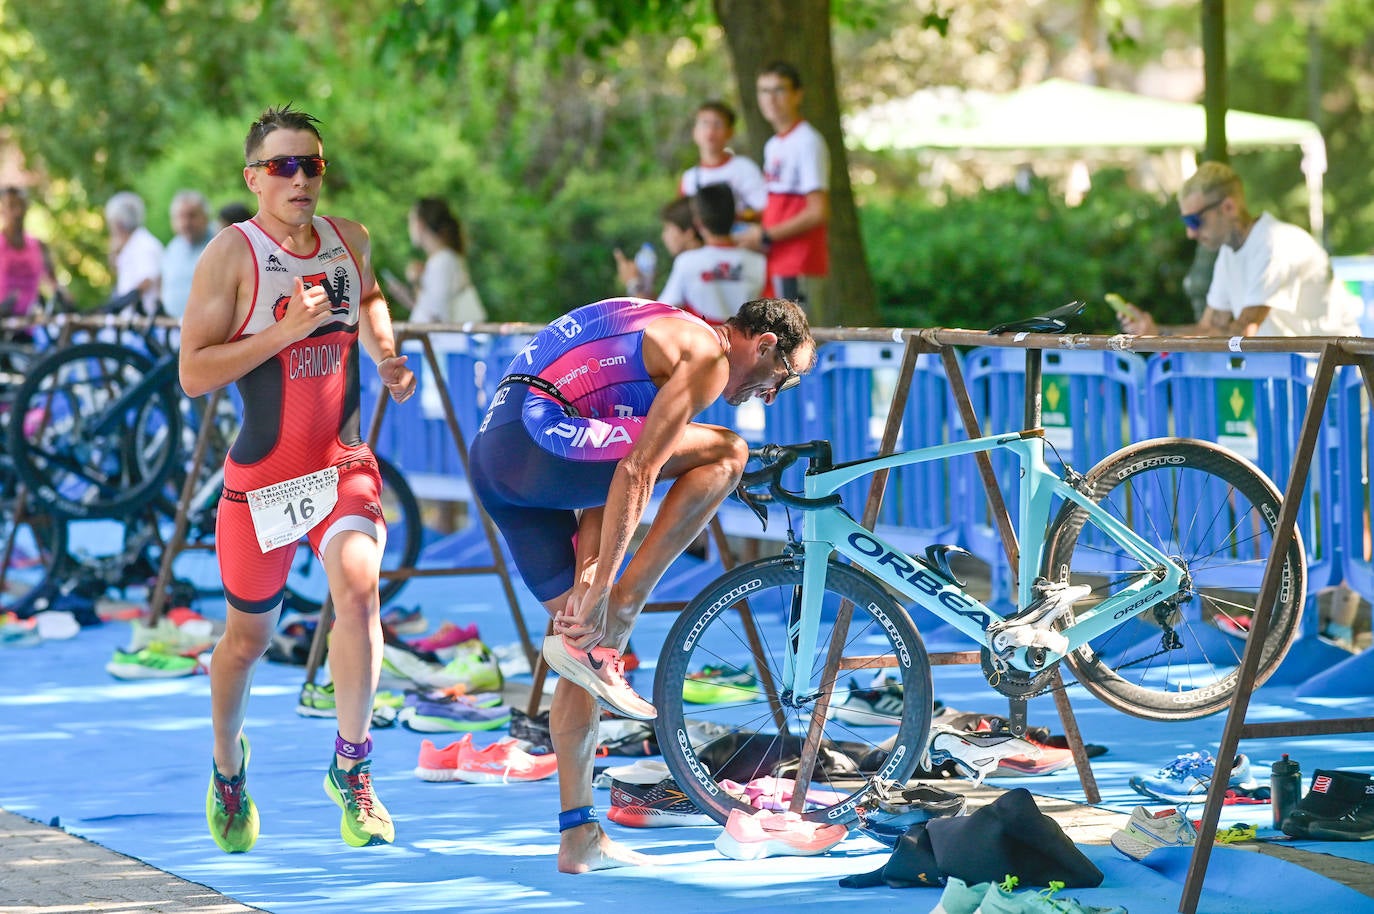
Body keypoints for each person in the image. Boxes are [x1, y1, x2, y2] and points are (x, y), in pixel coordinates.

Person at [469, 296, 814, 873]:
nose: (773, 395)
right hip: (540, 442)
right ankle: (626, 606)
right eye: (783, 378)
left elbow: (604, 472)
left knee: (581, 647)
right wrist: (610, 590)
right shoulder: (707, 355)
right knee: (729, 451)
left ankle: (577, 836)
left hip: (500, 456)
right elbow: (636, 470)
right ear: (765, 344)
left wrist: (588, 583)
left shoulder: (660, 325)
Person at [179, 104, 416, 854]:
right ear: (253, 177)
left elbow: (371, 298)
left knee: (358, 588)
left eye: (311, 164)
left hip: (339, 464)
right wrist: (281, 332)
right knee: (245, 644)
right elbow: (192, 373)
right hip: (264, 483)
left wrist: (385, 354)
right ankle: (227, 767)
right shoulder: (230, 254)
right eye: (283, 166)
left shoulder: (351, 240)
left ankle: (352, 767)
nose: (300, 178)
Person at [1118, 161, 1361, 338]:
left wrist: (1161, 334)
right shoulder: (1229, 252)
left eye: (1195, 221)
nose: (1190, 233)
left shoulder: (1274, 243)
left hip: (1335, 387)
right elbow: (1208, 329)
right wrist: (1154, 331)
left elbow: (1244, 332)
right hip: (1299, 384)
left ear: (1229, 207)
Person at [741, 61, 830, 318]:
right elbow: (782, 205)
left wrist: (766, 235)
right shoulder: (773, 145)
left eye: (779, 90)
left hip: (800, 263)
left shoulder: (807, 141)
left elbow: (817, 212)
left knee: (801, 344)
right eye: (764, 91)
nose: (770, 99)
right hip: (777, 260)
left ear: (797, 94)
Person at [657, 183, 767, 323]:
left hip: (702, 342)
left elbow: (660, 315)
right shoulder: (759, 261)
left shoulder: (686, 262)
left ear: (698, 222)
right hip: (748, 343)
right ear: (735, 217)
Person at [388, 196, 486, 325]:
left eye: (411, 220)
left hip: (444, 344)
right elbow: (432, 312)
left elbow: (437, 320)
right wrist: (411, 293)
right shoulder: (444, 259)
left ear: (420, 224)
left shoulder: (443, 262)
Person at [679, 100, 767, 226]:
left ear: (730, 132)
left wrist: (738, 217)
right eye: (704, 124)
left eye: (718, 124)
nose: (710, 131)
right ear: (694, 132)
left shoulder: (745, 168)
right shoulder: (689, 178)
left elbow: (766, 209)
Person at [0, 185, 69, 319]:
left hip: (30, 325)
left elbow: (55, 284)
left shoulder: (38, 246)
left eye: (21, 206)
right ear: (2, 210)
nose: (17, 212)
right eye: (12, 206)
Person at [613, 197, 702, 298]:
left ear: (688, 233)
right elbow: (665, 307)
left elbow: (655, 313)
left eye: (668, 228)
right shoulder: (706, 259)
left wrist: (633, 283)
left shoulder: (688, 262)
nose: (664, 236)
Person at [104, 190, 164, 316]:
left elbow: (148, 279)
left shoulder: (145, 244)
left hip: (143, 320)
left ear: (119, 223)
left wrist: (122, 302)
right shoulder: (130, 245)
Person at [161, 190, 214, 320]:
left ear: (206, 217)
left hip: (206, 328)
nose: (186, 223)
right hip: (170, 328)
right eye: (180, 216)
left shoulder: (218, 244)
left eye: (192, 216)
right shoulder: (173, 247)